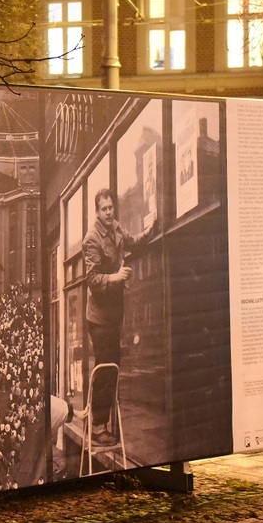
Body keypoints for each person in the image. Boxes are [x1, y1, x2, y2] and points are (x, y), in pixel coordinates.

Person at [82, 188, 154, 445]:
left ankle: (104, 423)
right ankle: (97, 426)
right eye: (104, 209)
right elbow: (92, 279)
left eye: (111, 207)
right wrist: (116, 277)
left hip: (113, 316)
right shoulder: (91, 239)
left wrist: (151, 228)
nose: (109, 212)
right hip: (99, 318)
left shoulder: (116, 229)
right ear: (97, 211)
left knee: (113, 369)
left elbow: (132, 241)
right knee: (104, 370)